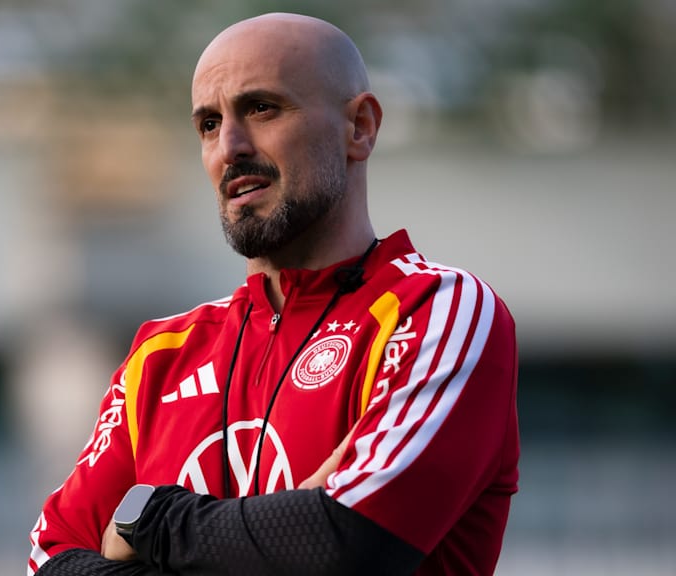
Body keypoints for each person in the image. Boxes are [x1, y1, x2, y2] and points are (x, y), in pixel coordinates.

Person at [27, 12, 519, 576]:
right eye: (209, 124)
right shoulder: (159, 357)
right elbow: (49, 559)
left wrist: (152, 520)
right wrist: (288, 529)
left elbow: (348, 543)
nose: (229, 147)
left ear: (360, 127)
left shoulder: (438, 311)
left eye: (262, 108)